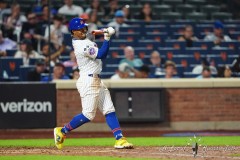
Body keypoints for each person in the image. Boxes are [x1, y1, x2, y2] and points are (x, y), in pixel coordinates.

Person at [53, 17, 133, 150]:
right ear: (73, 32)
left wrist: (100, 32)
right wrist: (107, 38)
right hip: (88, 81)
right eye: (80, 29)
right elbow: (101, 54)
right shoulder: (81, 45)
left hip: (96, 80)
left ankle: (120, 139)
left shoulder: (84, 39)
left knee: (109, 110)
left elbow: (91, 35)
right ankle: (62, 131)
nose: (83, 30)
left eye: (84, 28)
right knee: (88, 115)